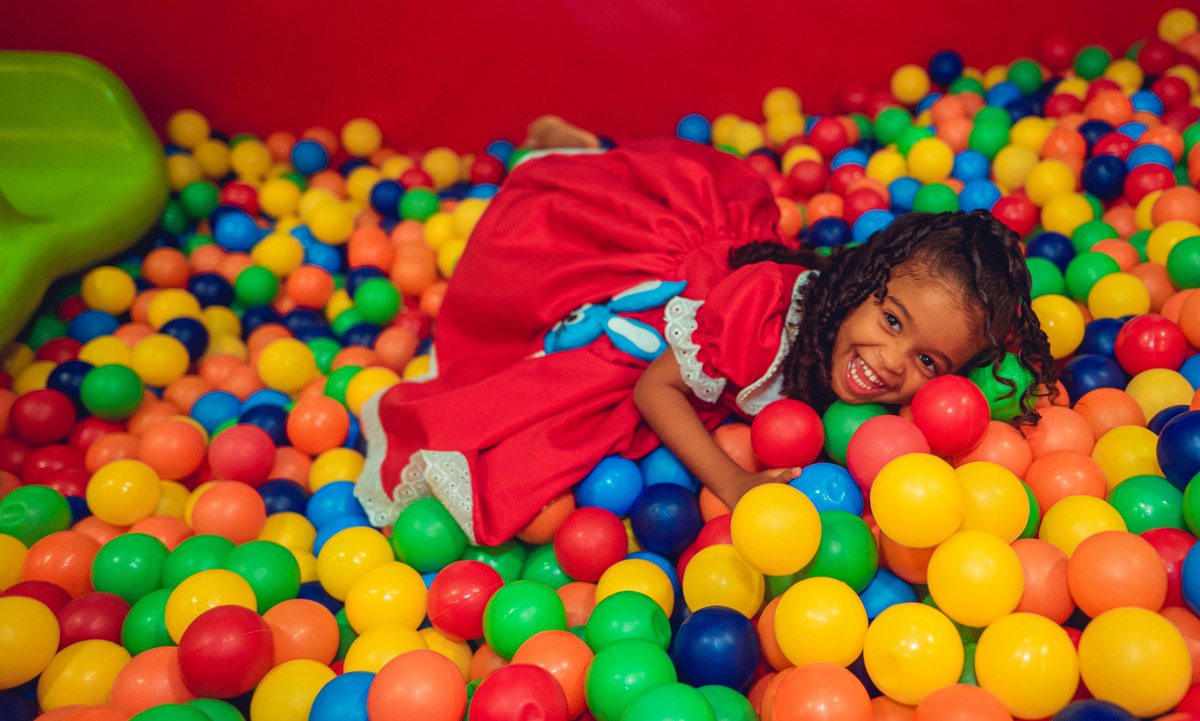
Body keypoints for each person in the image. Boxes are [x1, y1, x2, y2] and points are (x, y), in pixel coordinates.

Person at [355, 121, 1055, 546]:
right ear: (864, 287)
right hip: (668, 303)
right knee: (543, 408)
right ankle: (563, 153)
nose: (890, 361)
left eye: (929, 360)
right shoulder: (763, 327)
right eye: (891, 321)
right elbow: (656, 388)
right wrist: (732, 481)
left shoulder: (899, 388)